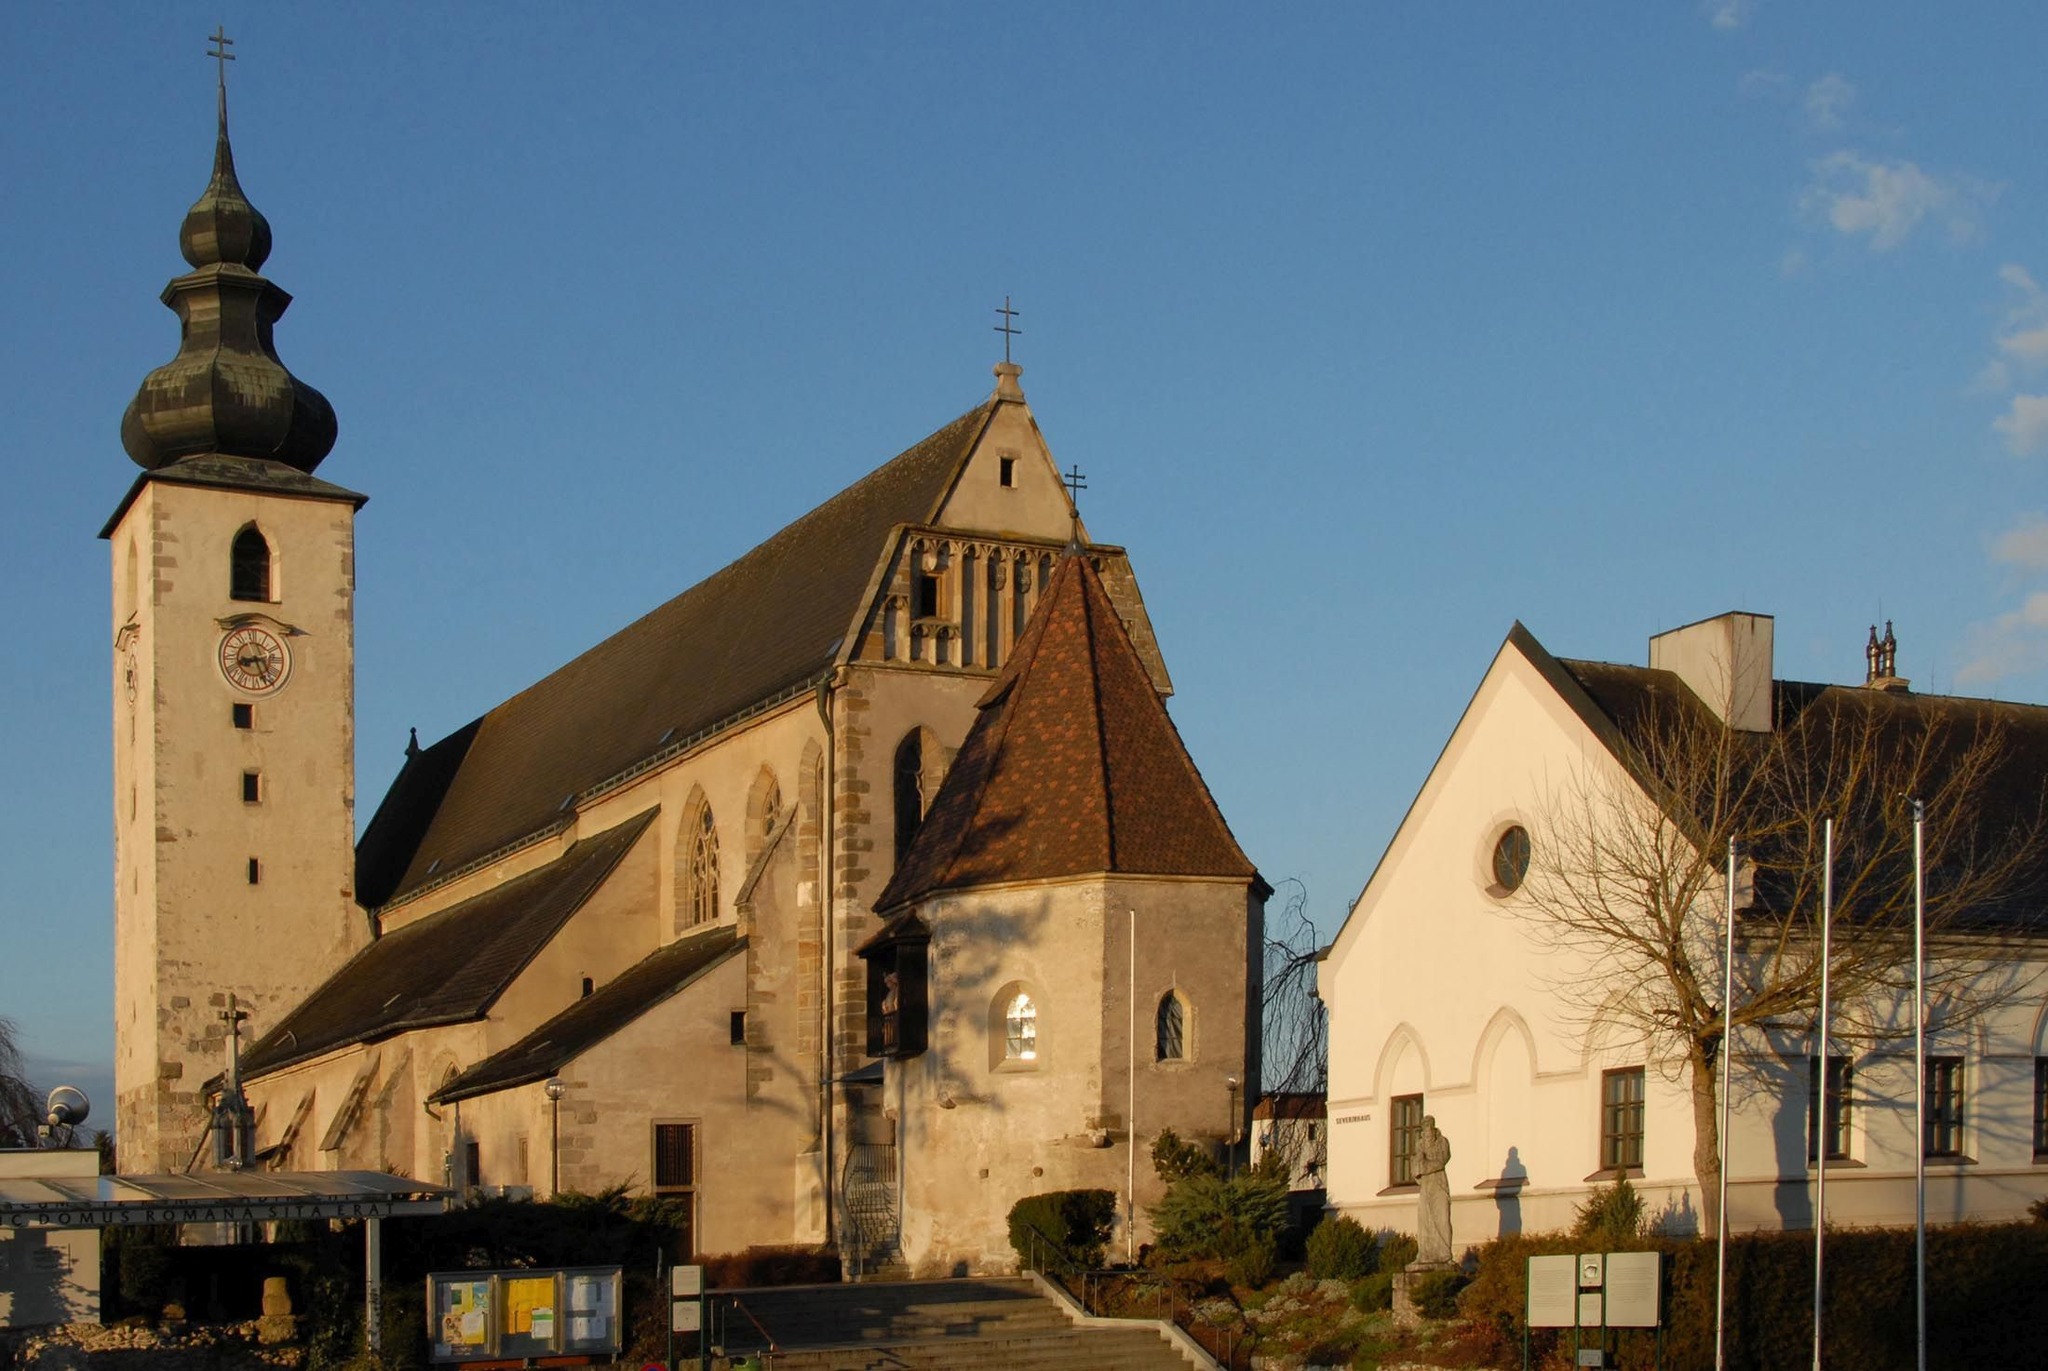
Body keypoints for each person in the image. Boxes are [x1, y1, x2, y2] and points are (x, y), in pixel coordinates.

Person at [1414, 1114, 1453, 1265]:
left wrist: (1423, 1166)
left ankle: (1445, 1254)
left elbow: (1442, 1161)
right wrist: (1418, 1168)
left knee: (1442, 1217)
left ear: (1433, 1127)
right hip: (1426, 1184)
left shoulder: (1442, 1141)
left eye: (1429, 1127)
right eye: (1425, 1128)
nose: (1427, 1131)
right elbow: (1416, 1164)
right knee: (1424, 1219)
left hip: (1439, 1182)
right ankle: (1424, 1254)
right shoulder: (1420, 1144)